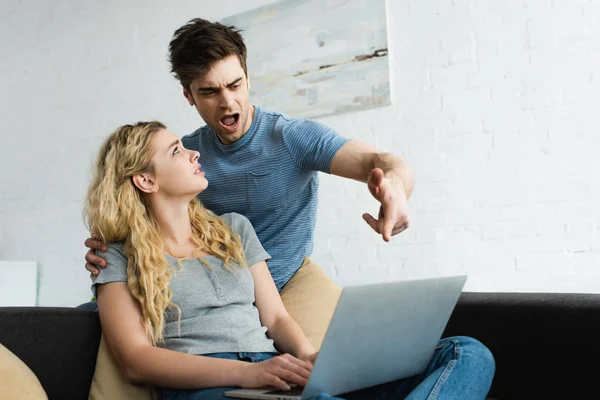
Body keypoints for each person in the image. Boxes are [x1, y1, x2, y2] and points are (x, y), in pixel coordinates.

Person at [84, 121, 495, 400]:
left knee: (465, 352)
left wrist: (310, 359)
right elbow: (137, 361)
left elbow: (276, 319)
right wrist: (248, 375)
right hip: (213, 388)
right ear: (145, 179)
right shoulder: (115, 256)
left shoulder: (233, 229)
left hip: (276, 373)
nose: (193, 153)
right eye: (176, 150)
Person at [84, 18, 414, 349]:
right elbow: (138, 211)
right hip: (222, 291)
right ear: (189, 95)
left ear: (248, 78)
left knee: (319, 371)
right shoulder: (185, 159)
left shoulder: (291, 137)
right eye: (210, 92)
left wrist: (396, 189)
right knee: (91, 323)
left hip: (289, 281)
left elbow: (381, 161)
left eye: (235, 85)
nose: (227, 102)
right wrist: (108, 251)